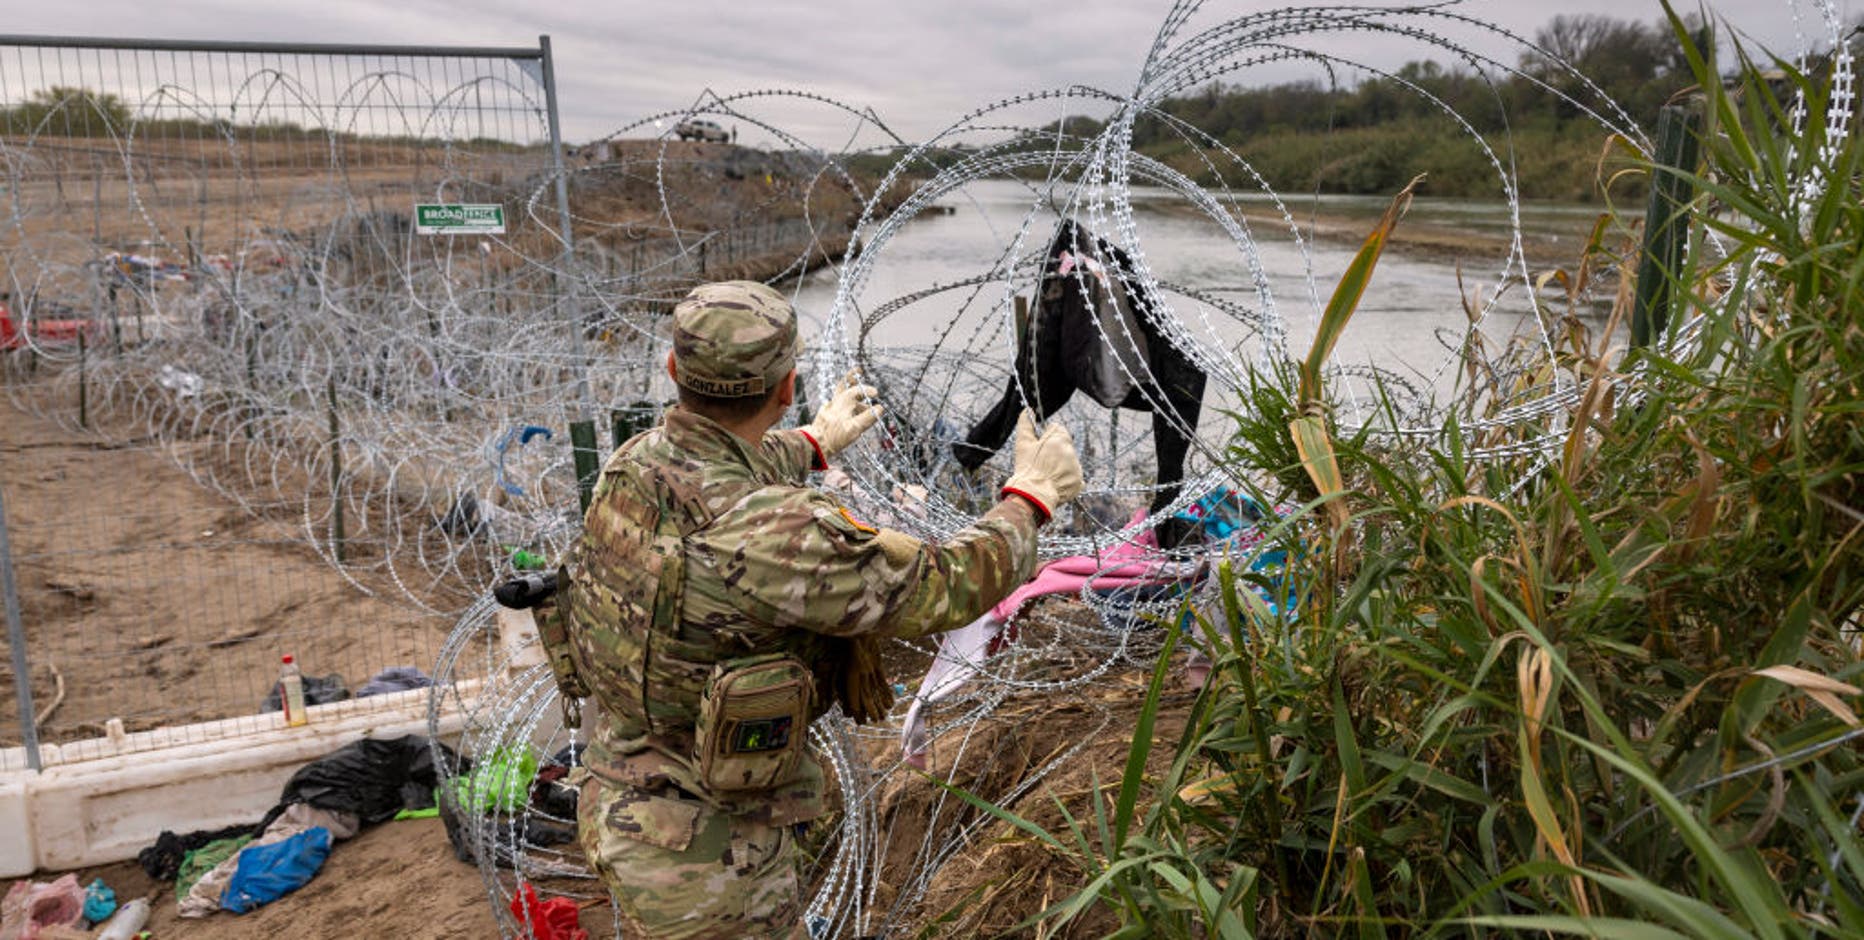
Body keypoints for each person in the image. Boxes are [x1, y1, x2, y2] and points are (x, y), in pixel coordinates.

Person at [564, 280, 1083, 939]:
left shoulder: (633, 465)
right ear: (786, 387)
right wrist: (1030, 498)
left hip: (619, 799)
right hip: (713, 861)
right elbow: (943, 585)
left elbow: (717, 472)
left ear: (673, 371)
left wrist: (813, 443)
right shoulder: (780, 533)